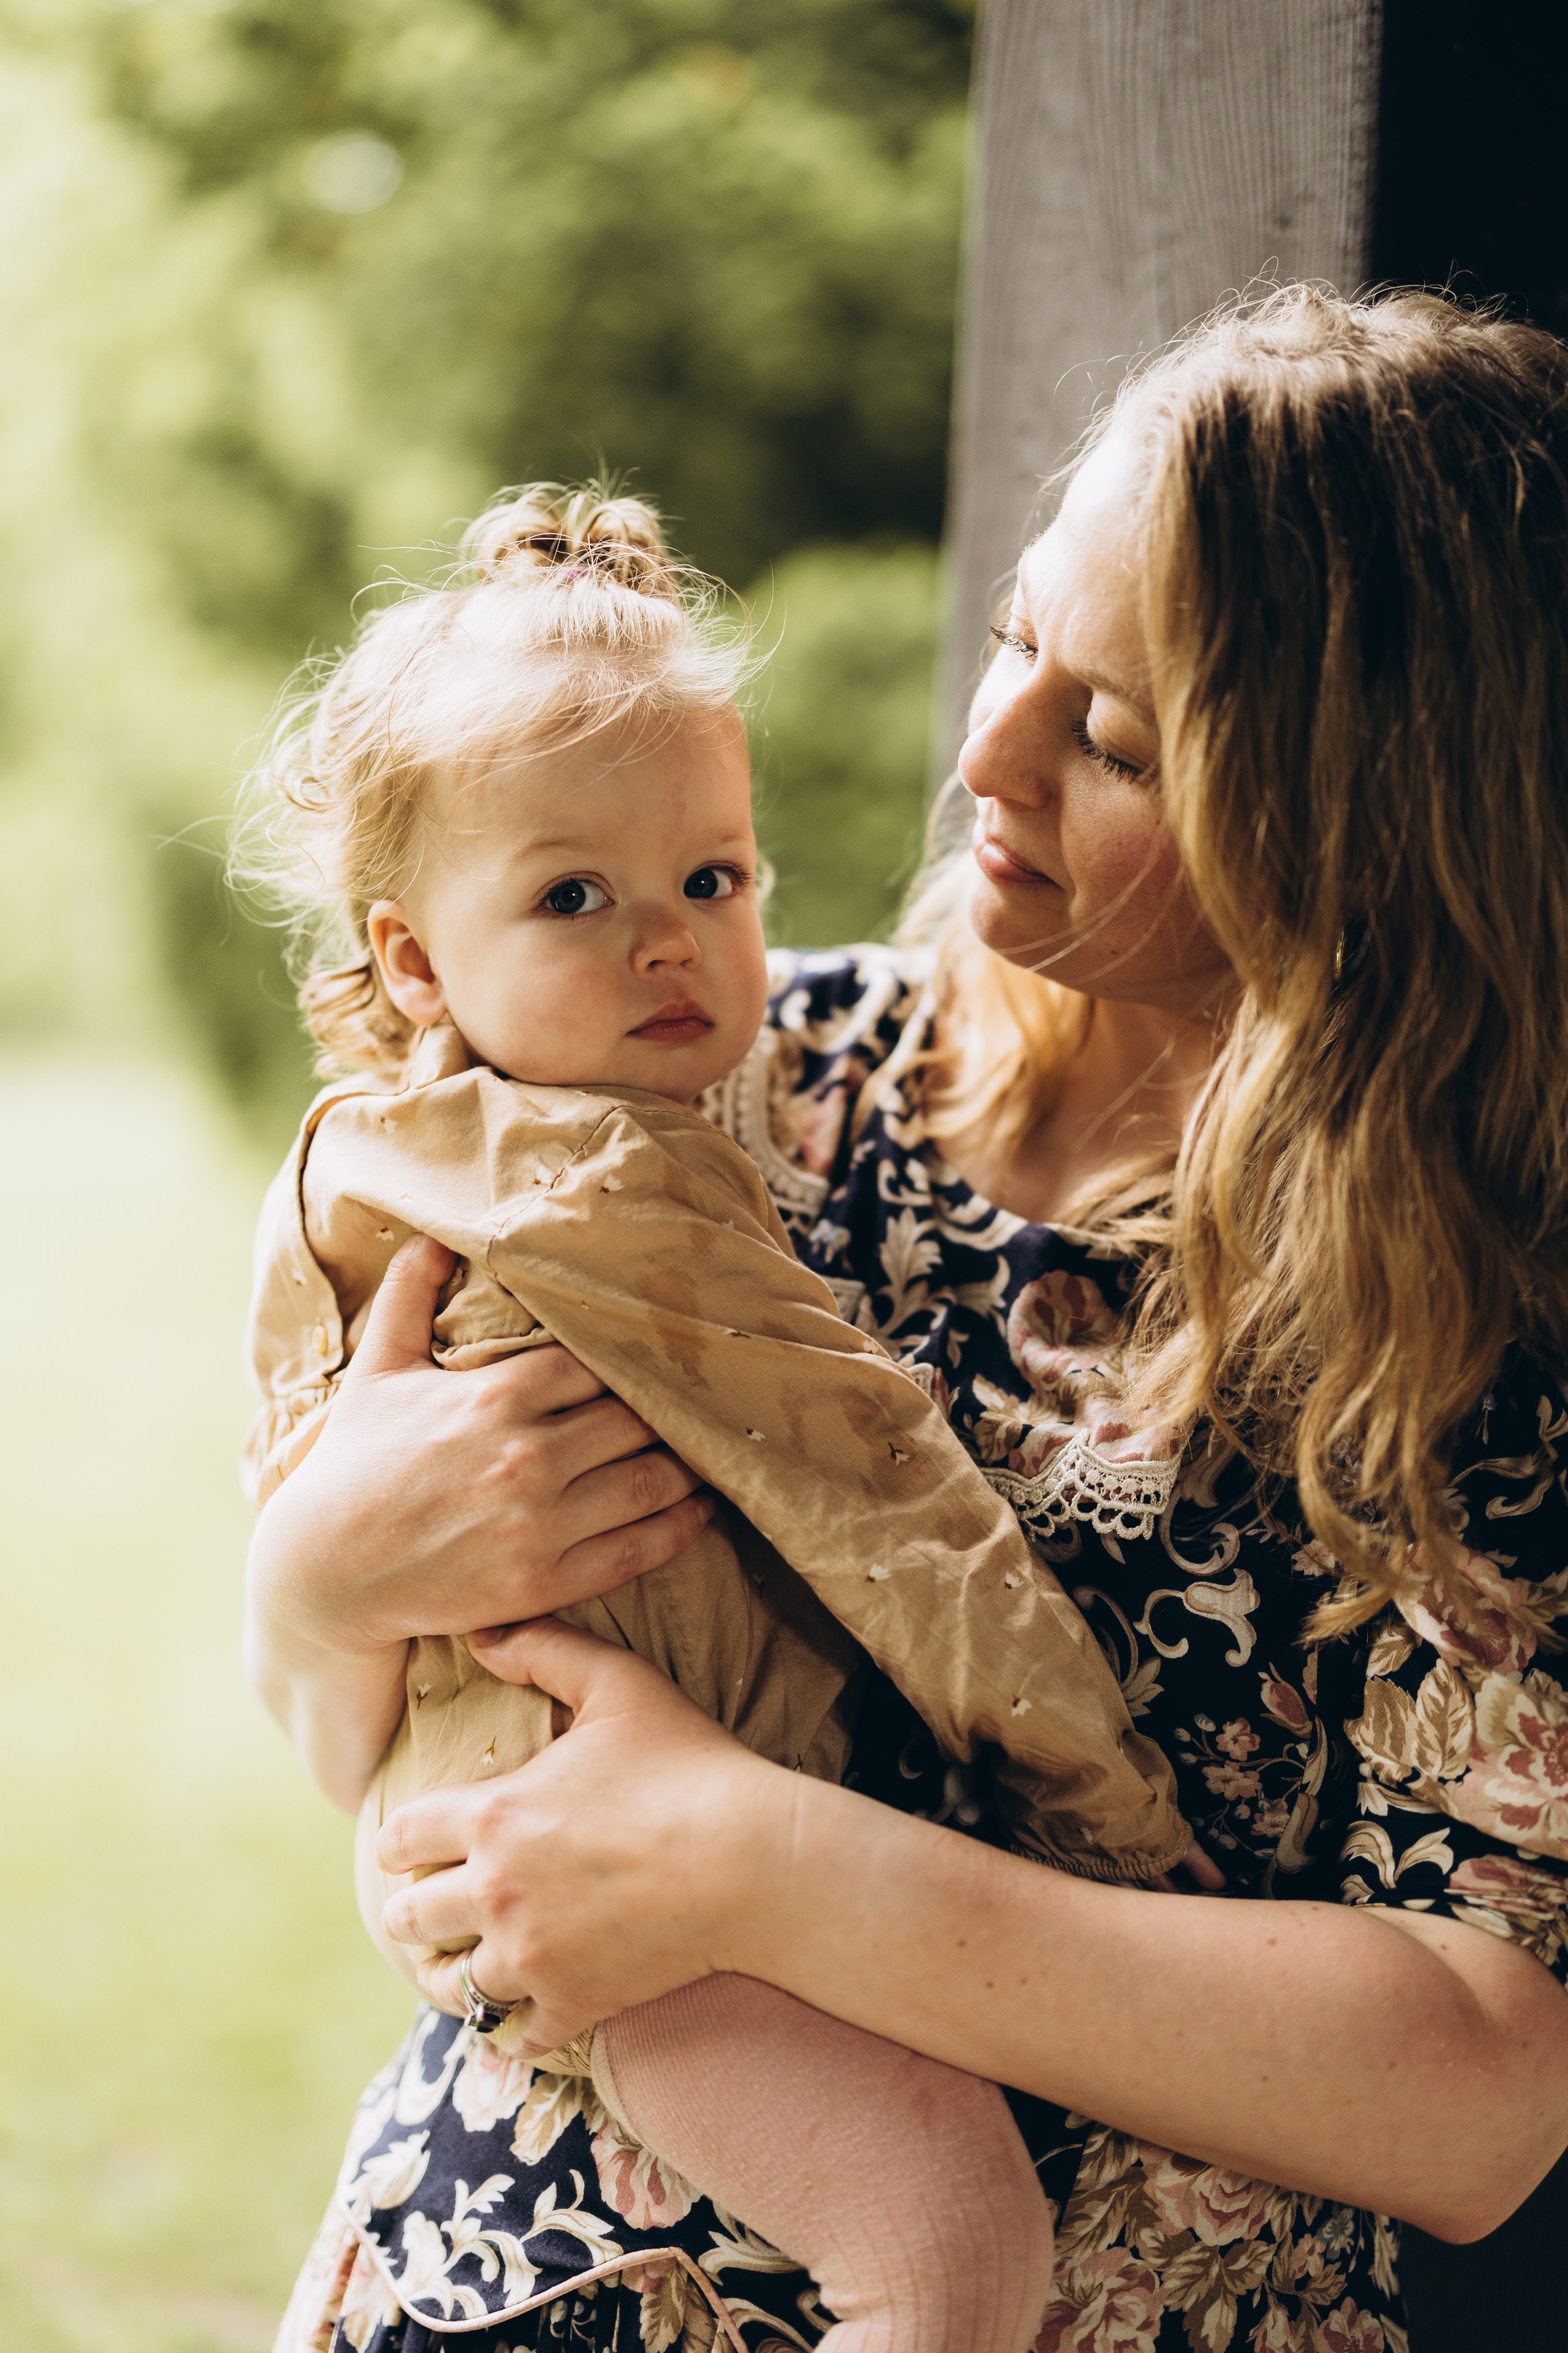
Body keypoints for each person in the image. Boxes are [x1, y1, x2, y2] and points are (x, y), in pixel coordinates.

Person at [253, 288, 1568, 2353]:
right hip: (477, 2272)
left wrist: (752, 1859)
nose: (985, 753)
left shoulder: (1477, 1315)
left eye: (1114, 733)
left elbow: (1487, 2082)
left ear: (1355, 826)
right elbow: (405, 1734)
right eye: (1019, 637)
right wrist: (315, 1584)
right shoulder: (760, 1077)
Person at [242, 483, 1196, 2352]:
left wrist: (362, 1694)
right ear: (415, 959)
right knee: (941, 2253)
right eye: (575, 896)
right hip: (604, 1900)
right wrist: (1096, 1788)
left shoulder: (387, 1169)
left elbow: (363, 1745)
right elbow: (886, 1502)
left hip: (572, 1875)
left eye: (715, 878)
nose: (674, 946)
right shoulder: (599, 1193)